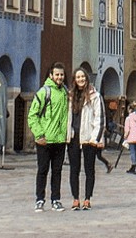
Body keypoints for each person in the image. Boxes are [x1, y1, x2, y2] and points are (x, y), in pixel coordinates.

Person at [27, 61, 69, 212]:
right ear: (51, 75)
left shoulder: (65, 93)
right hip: (45, 140)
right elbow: (32, 116)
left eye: (61, 75)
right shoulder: (43, 92)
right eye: (57, 74)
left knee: (57, 171)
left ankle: (56, 200)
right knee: (43, 170)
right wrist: (39, 134)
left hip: (60, 140)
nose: (59, 77)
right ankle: (40, 199)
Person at [66, 68, 106, 210]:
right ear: (74, 80)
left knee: (89, 169)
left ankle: (87, 199)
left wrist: (95, 138)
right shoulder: (70, 96)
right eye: (78, 77)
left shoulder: (95, 96)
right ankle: (75, 199)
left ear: (87, 78)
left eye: (83, 76)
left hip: (89, 137)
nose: (81, 79)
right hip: (73, 136)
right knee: (74, 169)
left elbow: (99, 118)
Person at [123, 103, 136, 174]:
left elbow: (127, 129)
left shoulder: (128, 118)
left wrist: (125, 136)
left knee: (133, 153)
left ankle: (134, 166)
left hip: (131, 138)